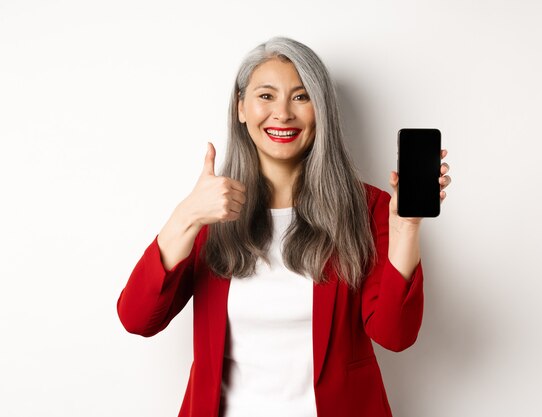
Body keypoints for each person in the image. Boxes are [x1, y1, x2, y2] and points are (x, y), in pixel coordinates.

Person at [117, 37, 451, 417]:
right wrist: (186, 216)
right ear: (241, 107)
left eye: (301, 96)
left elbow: (395, 334)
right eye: (266, 96)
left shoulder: (367, 207)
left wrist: (406, 227)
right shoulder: (212, 209)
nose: (282, 114)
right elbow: (138, 319)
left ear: (321, 110)